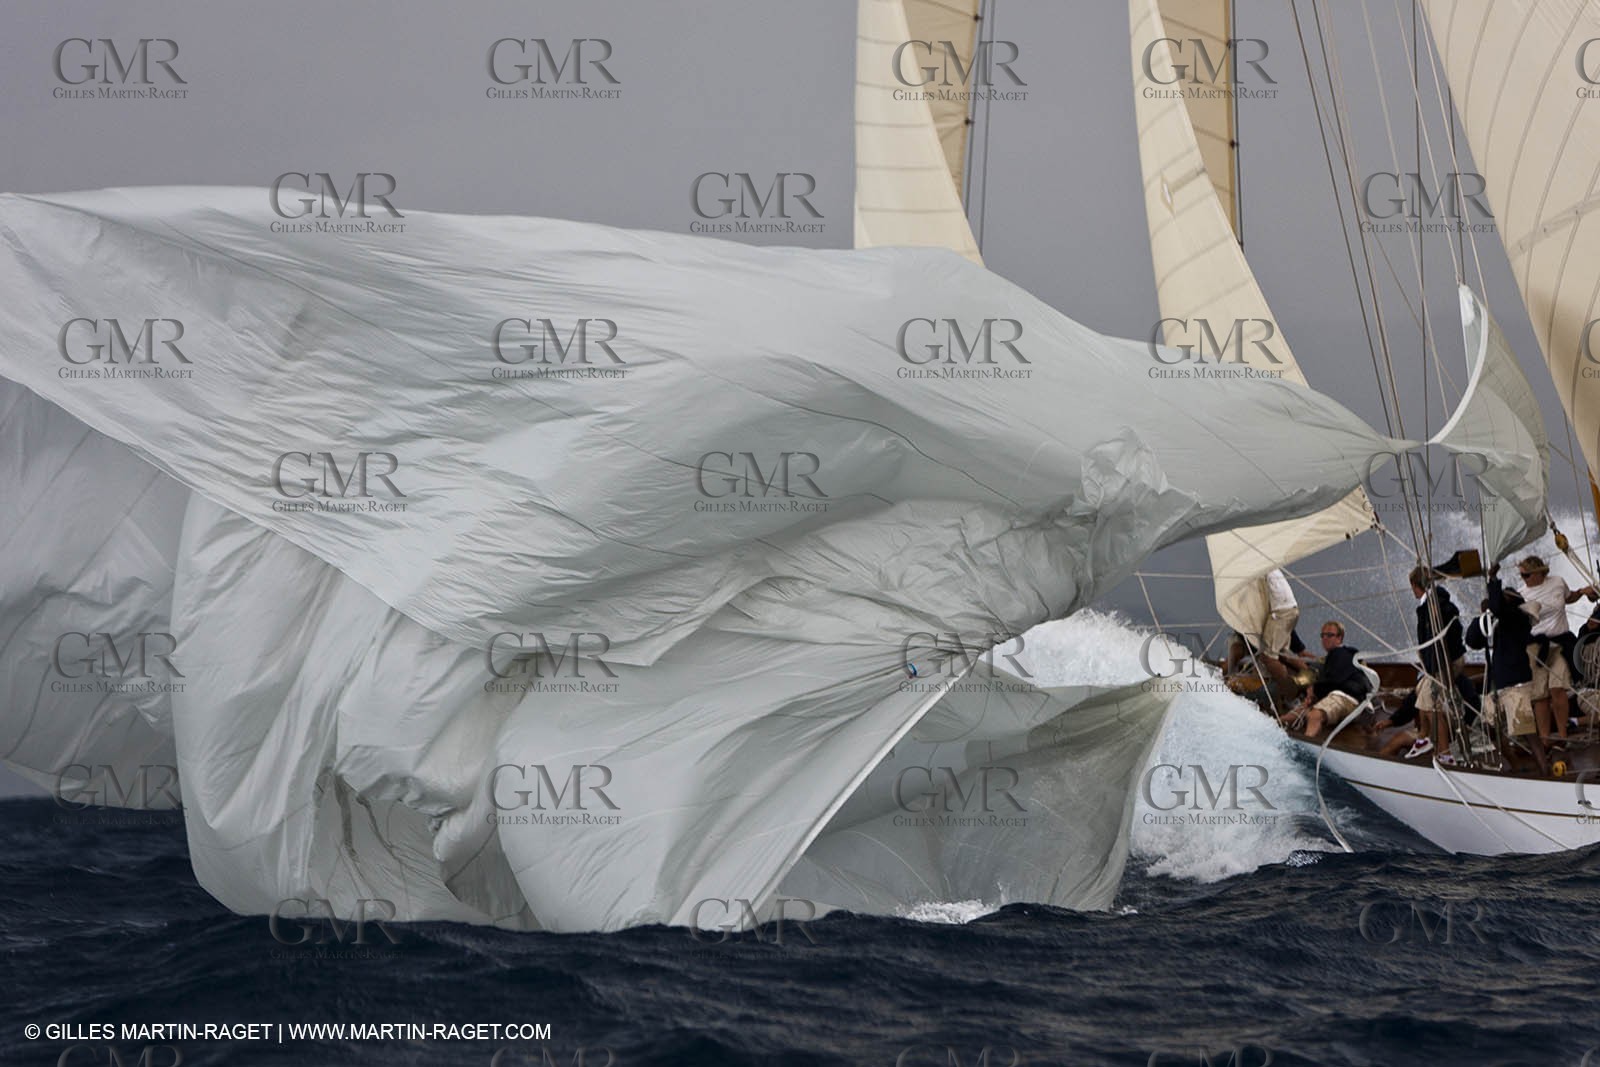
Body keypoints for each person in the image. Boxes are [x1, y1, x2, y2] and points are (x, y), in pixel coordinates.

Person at [1462, 573, 1547, 773]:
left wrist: (1493, 579)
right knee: (1488, 727)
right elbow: (1472, 641)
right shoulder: (1495, 622)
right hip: (1498, 685)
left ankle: (1545, 771)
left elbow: (1499, 607)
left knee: (1526, 731)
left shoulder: (1517, 618)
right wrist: (1483, 618)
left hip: (1515, 684)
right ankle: (1515, 765)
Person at [1516, 555, 1597, 743]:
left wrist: (1583, 592)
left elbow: (1568, 598)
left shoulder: (1558, 583)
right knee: (1540, 695)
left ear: (1539, 573)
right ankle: (1545, 739)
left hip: (1559, 644)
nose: (1524, 580)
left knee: (1557, 689)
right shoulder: (1521, 595)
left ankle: (1562, 736)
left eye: (1526, 575)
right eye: (1522, 576)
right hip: (1536, 647)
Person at [1405, 565, 1473, 761]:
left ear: (1415, 585)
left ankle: (1444, 753)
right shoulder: (1427, 604)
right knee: (1425, 697)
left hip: (1444, 662)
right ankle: (1424, 737)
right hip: (1438, 661)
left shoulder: (1439, 603)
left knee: (1431, 703)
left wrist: (1434, 666)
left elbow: (1448, 630)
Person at [1279, 620, 1371, 739]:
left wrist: (1313, 691)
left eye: (1330, 635)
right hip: (1333, 695)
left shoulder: (1342, 653)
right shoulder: (1331, 657)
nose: (1325, 638)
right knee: (1290, 717)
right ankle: (1273, 726)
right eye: (1323, 635)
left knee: (1314, 715)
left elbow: (1335, 681)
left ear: (1340, 637)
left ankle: (1306, 746)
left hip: (1347, 697)